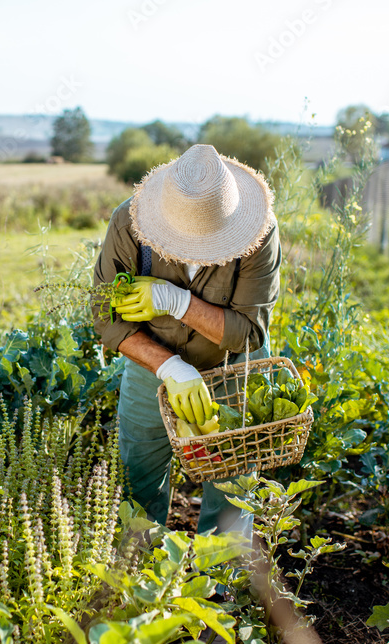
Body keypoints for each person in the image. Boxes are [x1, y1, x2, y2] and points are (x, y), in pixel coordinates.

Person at [92, 143, 282, 535]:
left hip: (233, 371)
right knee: (140, 479)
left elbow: (248, 333)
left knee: (232, 488)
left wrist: (174, 301)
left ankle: (221, 583)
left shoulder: (260, 233)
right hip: (151, 368)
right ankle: (141, 579)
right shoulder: (129, 225)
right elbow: (105, 319)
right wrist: (169, 367)